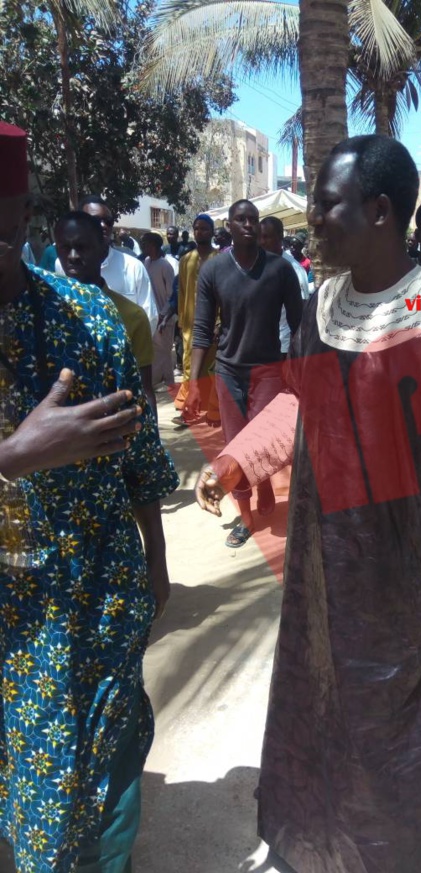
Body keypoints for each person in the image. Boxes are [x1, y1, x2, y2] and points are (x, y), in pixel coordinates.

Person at [195, 135, 421, 871]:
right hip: (324, 572)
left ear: (379, 211)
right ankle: (323, 846)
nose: (313, 220)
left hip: (413, 587)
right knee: (326, 710)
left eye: (326, 205)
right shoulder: (322, 304)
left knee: (402, 739)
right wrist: (238, 460)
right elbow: (303, 402)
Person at [0, 121, 178, 873]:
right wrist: (15, 456)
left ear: (20, 212)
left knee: (109, 754)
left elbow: (139, 457)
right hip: (12, 612)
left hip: (96, 584)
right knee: (27, 773)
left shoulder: (90, 318)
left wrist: (157, 560)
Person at [187, 199, 303, 548]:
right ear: (230, 227)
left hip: (268, 369)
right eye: (241, 220)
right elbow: (203, 330)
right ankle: (247, 517)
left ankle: (264, 483)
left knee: (262, 439)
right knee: (235, 445)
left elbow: (299, 325)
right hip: (227, 371)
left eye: (253, 219)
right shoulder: (213, 270)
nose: (249, 225)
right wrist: (194, 382)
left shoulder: (280, 270)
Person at [55, 210, 158, 417]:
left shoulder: (131, 315)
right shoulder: (45, 311)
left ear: (102, 252)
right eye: (65, 248)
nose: (73, 257)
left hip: (112, 435)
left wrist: (152, 439)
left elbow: (144, 389)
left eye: (82, 248)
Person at [63, 195, 158, 331]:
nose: (103, 226)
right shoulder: (63, 266)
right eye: (95, 220)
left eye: (108, 221)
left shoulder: (133, 267)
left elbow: (150, 318)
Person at [172, 214, 221, 425]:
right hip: (191, 325)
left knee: (212, 368)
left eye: (204, 228)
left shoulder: (220, 259)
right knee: (190, 366)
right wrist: (182, 321)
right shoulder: (186, 260)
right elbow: (182, 292)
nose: (200, 232)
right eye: (197, 228)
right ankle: (189, 410)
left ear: (211, 232)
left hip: (215, 324)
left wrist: (220, 322)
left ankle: (214, 411)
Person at [260, 215, 310, 359]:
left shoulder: (293, 269)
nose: (262, 242)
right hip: (258, 345)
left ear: (280, 237)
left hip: (283, 346)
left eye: (266, 237)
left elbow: (301, 312)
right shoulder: (256, 264)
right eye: (260, 236)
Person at [141, 231, 176, 387]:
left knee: (165, 351)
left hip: (165, 317)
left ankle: (169, 383)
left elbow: (171, 295)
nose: (142, 246)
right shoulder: (146, 262)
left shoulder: (165, 266)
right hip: (152, 316)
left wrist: (164, 315)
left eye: (145, 243)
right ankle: (160, 382)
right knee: (155, 351)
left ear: (153, 245)